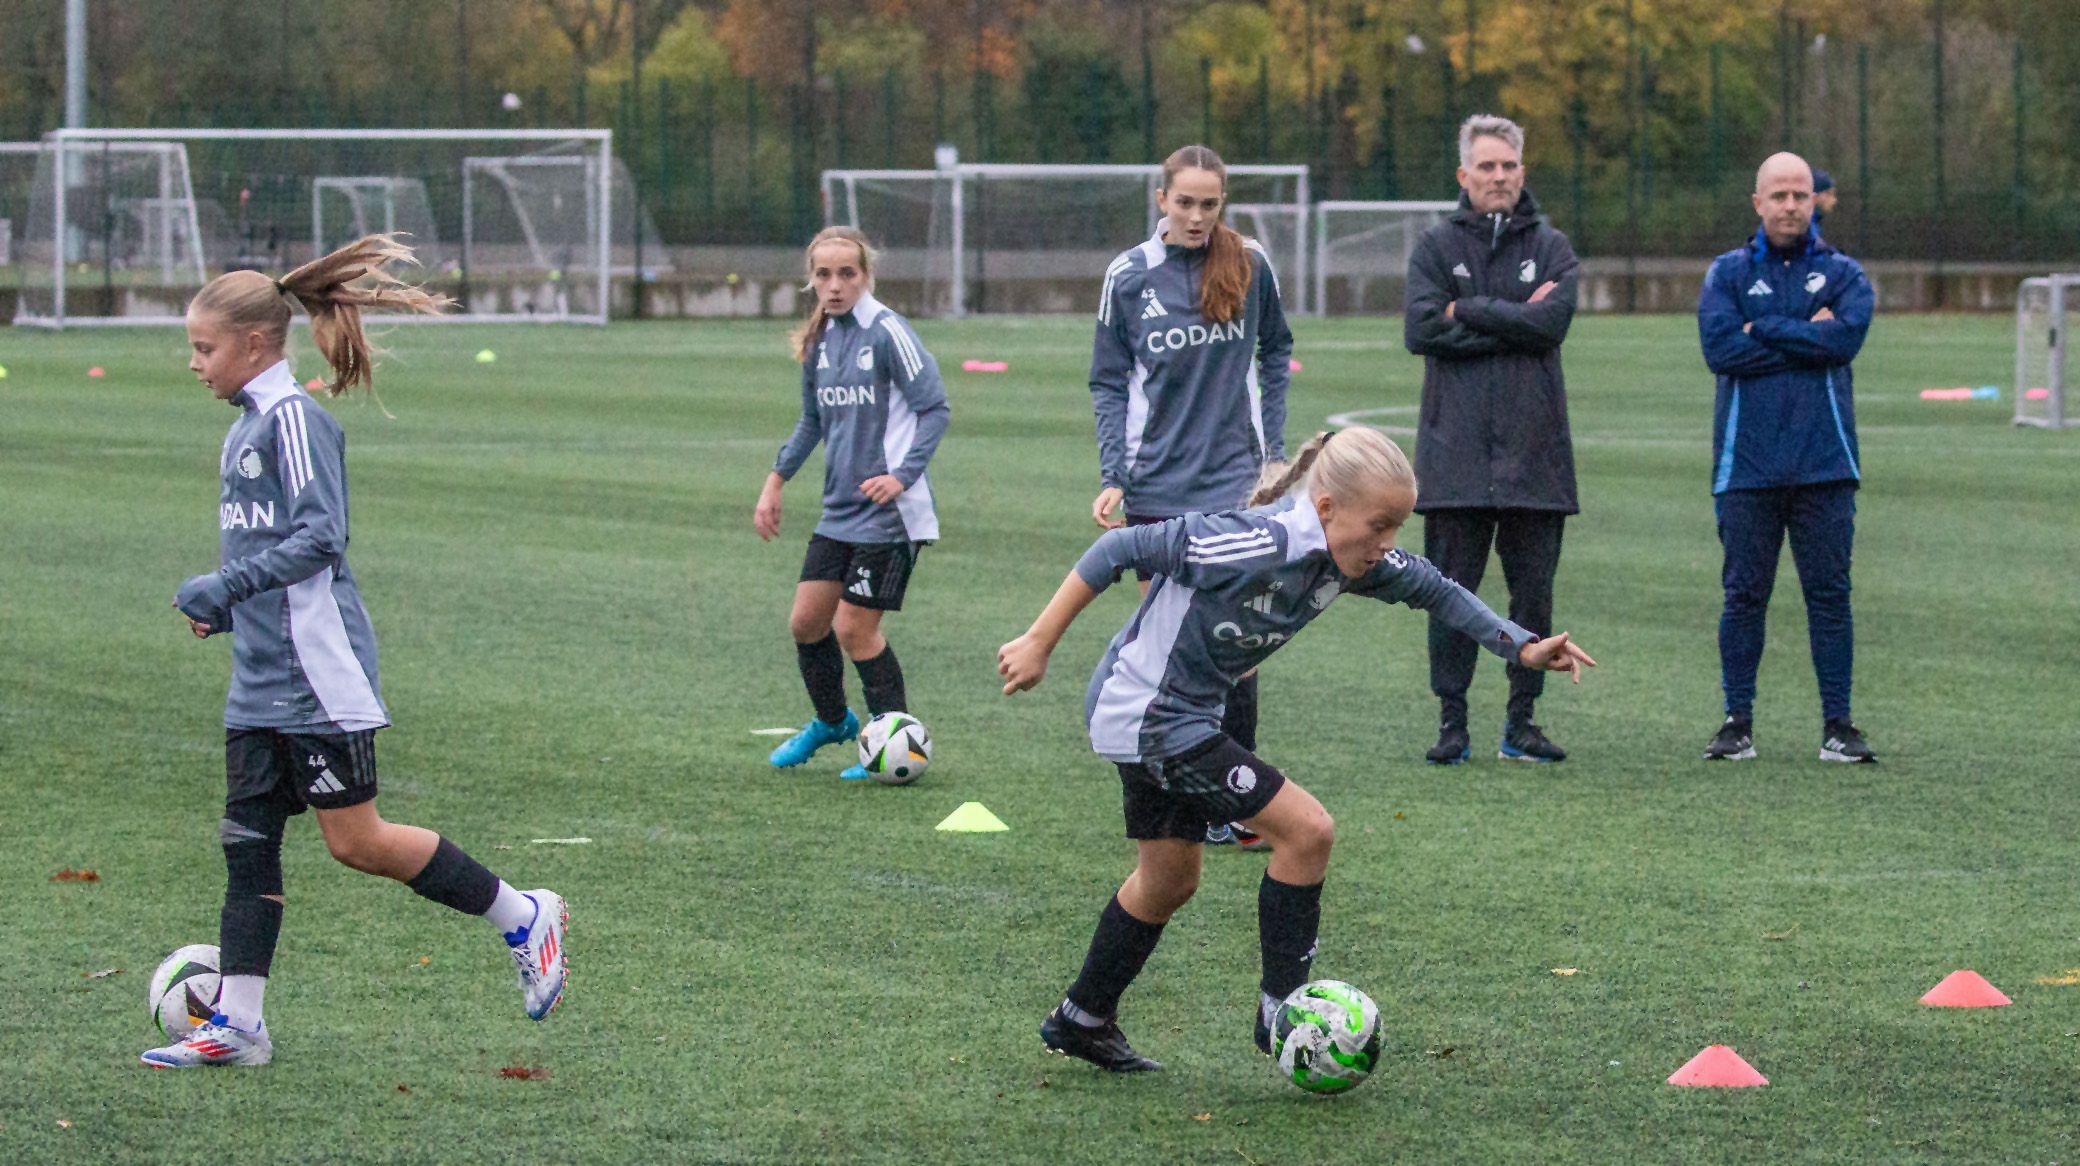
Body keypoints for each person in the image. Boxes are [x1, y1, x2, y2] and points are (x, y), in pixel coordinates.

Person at [997, 427, 1595, 1071]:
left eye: (1396, 526)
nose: (1387, 543)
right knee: (1307, 832)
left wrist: (1521, 643)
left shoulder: (1347, 559)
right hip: (1148, 713)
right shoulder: (1254, 541)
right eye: (1379, 525)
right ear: (1328, 508)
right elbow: (1119, 546)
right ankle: (1282, 1015)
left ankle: (1082, 1018)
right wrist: (1038, 642)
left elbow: (1433, 587)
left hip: (1176, 715)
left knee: (1169, 881)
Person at [147, 236, 567, 1068]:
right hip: (259, 678)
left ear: (256, 344)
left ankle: (522, 914)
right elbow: (270, 552)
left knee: (358, 843)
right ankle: (241, 1028)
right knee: (245, 843)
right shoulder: (243, 432)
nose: (193, 363)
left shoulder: (296, 421)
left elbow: (321, 536)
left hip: (317, 677)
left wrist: (227, 588)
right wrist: (232, 610)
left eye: (204, 347)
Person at [1089, 143, 1293, 846]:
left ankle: (1239, 807)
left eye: (1210, 203)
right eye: (1186, 202)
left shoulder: (1251, 264)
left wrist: (1273, 457)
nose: (1199, 216)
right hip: (1158, 491)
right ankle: (1179, 799)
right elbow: (1108, 380)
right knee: (1172, 648)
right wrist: (1114, 473)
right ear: (1161, 200)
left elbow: (1276, 354)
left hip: (1237, 486)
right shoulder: (1129, 275)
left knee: (1239, 644)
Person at [1402, 114, 1582, 766]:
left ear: (1522, 171)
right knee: (1449, 592)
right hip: (1455, 455)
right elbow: (1421, 329)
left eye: (1508, 166)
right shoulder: (1434, 245)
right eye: (1486, 167)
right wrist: (1518, 318)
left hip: (1537, 455)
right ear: (1464, 176)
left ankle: (1522, 724)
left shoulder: (1554, 247)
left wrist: (1469, 310)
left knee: (1533, 597)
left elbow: (1552, 324)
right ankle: (1453, 724)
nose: (1498, 177)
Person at [1696, 152, 1875, 764]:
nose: (1791, 205)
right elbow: (1721, 350)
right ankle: (1736, 721)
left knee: (1830, 596)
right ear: (1758, 203)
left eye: (1801, 195)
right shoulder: (1726, 273)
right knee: (1744, 596)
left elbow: (1844, 340)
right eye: (1779, 195)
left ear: (1814, 201)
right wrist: (1805, 333)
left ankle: (1839, 725)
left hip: (1826, 464)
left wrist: (1762, 329)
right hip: (1746, 467)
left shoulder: (1846, 273)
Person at [756, 226, 950, 780]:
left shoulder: (890, 332)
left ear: (866, 275)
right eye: (823, 274)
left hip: (891, 517)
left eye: (847, 273)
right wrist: (775, 480)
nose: (834, 285)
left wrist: (901, 476)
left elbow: (935, 409)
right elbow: (812, 422)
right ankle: (833, 720)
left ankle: (893, 743)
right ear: (810, 279)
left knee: (854, 629)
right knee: (806, 623)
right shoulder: (820, 342)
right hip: (839, 513)